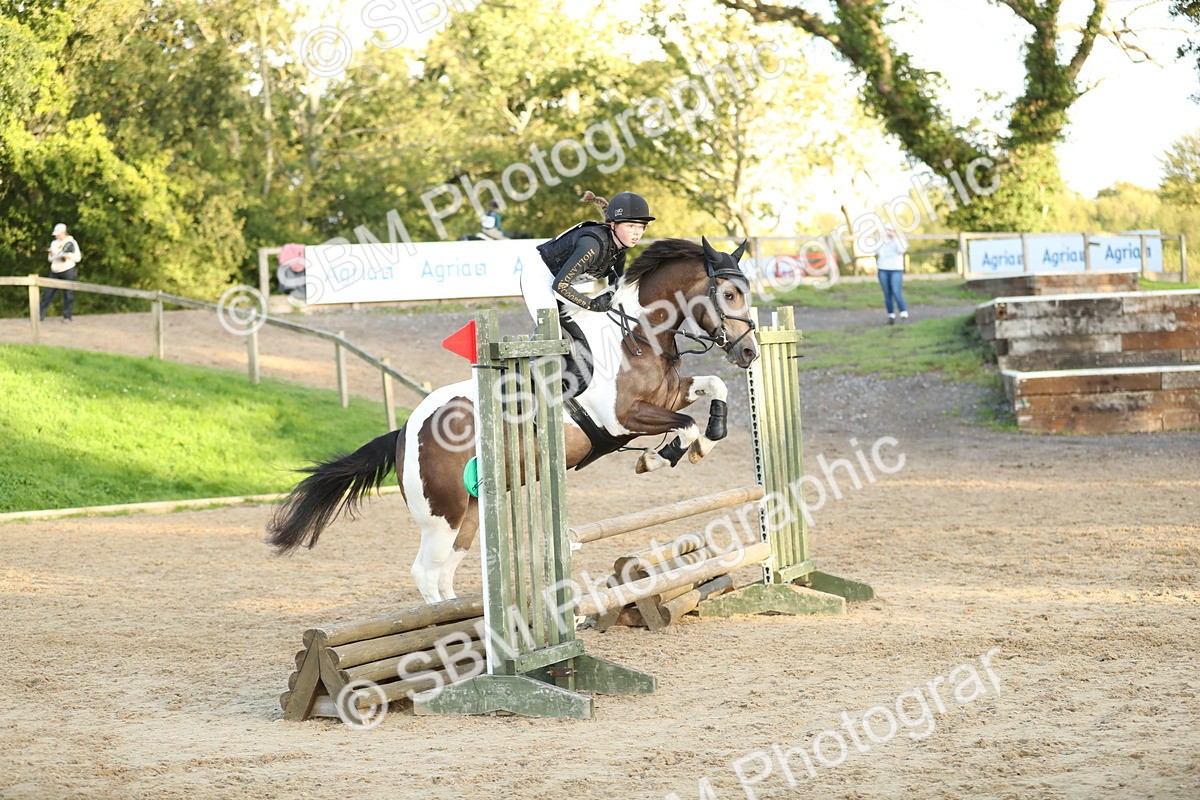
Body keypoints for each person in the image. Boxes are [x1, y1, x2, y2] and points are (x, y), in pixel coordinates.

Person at [524, 191, 652, 328]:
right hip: (539, 276)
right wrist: (593, 304)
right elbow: (560, 285)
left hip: (562, 283)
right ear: (613, 225)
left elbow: (615, 286)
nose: (637, 233)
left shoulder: (619, 252)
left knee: (582, 331)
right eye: (631, 226)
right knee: (552, 330)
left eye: (642, 227)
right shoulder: (592, 246)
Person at [40, 223, 82, 322]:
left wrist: (68, 256)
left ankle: (67, 316)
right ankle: (39, 314)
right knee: (47, 293)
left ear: (63, 233)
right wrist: (54, 254)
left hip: (68, 270)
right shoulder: (54, 243)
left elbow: (78, 258)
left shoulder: (72, 242)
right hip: (55, 270)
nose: (56, 236)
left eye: (58, 234)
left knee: (68, 294)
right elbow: (50, 259)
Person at [873, 225, 908, 324]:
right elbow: (877, 251)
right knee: (887, 293)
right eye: (887, 230)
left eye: (891, 230)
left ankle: (903, 312)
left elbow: (901, 250)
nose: (889, 232)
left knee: (896, 291)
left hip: (896, 269)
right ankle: (891, 315)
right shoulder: (881, 240)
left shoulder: (900, 240)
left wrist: (894, 238)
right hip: (883, 269)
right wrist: (881, 239)